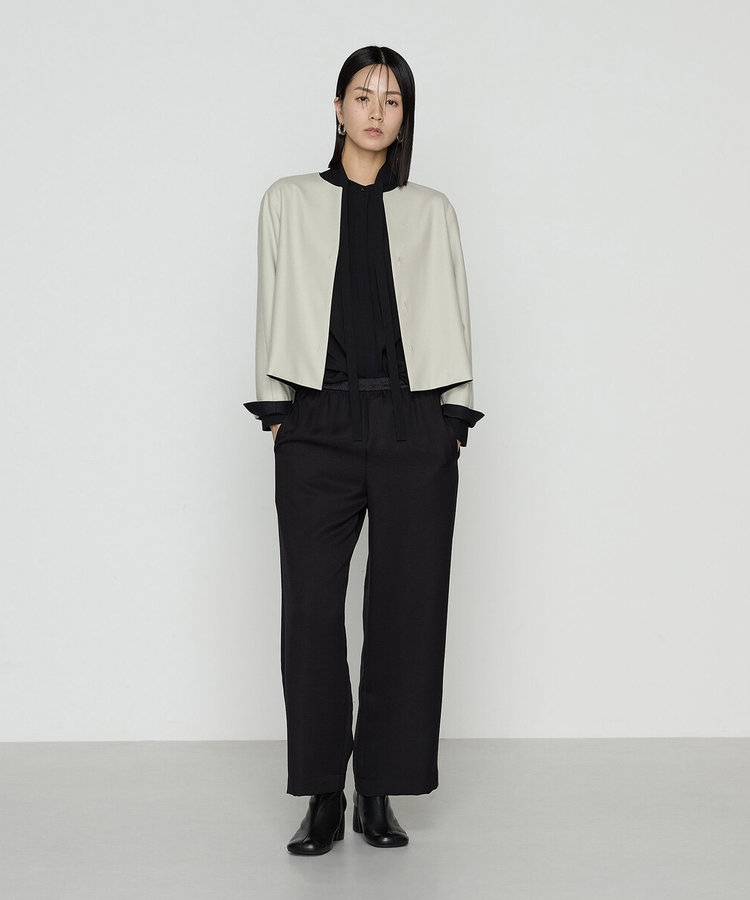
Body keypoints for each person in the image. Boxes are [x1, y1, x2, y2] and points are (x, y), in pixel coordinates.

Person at [244, 45, 485, 855]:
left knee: (406, 610)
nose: (376, 111)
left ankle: (377, 789)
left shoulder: (432, 210)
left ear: (405, 116)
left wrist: (452, 419)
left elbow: (454, 308)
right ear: (338, 108)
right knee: (311, 611)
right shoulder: (287, 200)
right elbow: (270, 301)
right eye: (362, 95)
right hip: (317, 423)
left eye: (392, 99)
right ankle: (321, 790)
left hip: (414, 424)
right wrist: (278, 414)